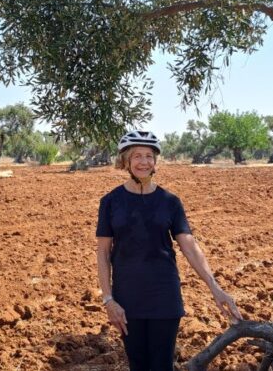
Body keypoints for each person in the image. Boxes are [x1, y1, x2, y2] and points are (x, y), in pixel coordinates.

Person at [96, 130, 243, 371]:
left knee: (162, 364)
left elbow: (189, 246)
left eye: (149, 156)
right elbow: (103, 252)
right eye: (137, 156)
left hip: (164, 295)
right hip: (127, 297)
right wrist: (108, 299)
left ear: (155, 161)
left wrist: (215, 287)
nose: (144, 162)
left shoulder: (169, 201)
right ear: (125, 161)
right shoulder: (111, 201)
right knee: (138, 364)